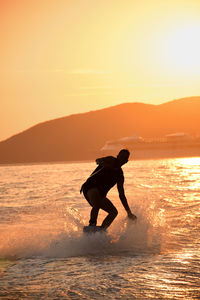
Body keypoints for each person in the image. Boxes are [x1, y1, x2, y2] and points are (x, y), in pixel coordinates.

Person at [80, 149, 137, 230]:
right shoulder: (111, 159)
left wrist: (129, 212)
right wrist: (104, 164)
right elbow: (97, 160)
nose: (121, 159)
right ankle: (92, 224)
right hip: (90, 187)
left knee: (114, 212)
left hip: (101, 194)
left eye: (124, 158)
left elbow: (121, 195)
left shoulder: (120, 176)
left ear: (126, 161)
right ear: (117, 156)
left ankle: (102, 230)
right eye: (120, 156)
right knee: (97, 202)